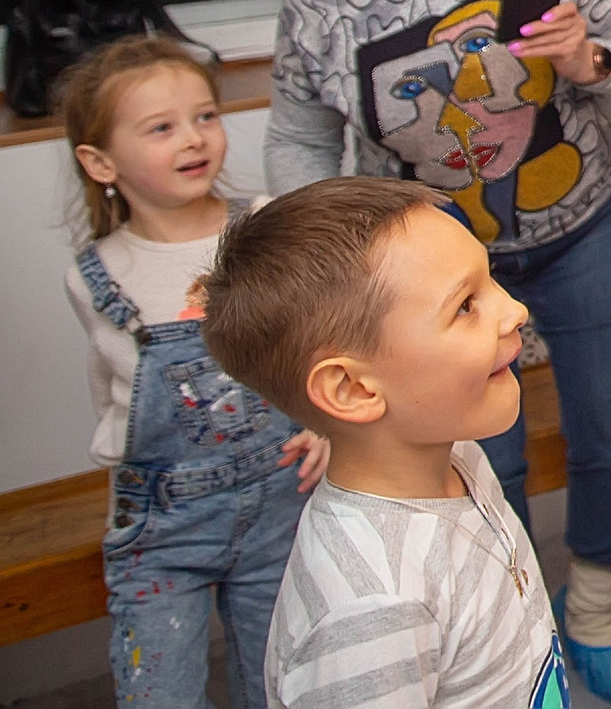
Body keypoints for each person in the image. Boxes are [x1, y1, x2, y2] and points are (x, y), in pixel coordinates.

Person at [265, 0, 611, 704]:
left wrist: (584, 58)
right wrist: (304, 250)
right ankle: (514, 640)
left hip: (587, 223)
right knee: (476, 453)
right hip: (426, 272)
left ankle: (601, 610)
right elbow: (301, 126)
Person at [198, 176, 564, 709]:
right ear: (352, 389)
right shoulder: (372, 609)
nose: (514, 311)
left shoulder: (457, 455)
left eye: (491, 283)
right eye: (466, 305)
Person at [58, 37, 329, 709]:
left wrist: (323, 422)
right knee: (158, 695)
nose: (195, 138)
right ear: (100, 162)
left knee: (280, 684)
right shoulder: (95, 274)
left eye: (205, 116)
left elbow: (312, 343)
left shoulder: (264, 222)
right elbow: (113, 393)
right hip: (163, 525)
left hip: (280, 501)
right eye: (161, 127)